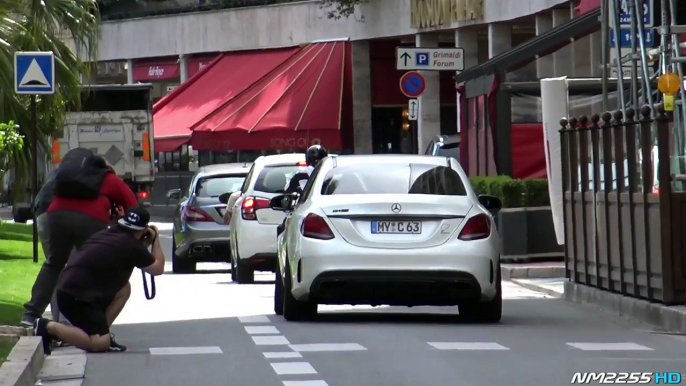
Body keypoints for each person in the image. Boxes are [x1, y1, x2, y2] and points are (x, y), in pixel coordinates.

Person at [21, 149, 139, 327]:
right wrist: (125, 224)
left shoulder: (69, 177)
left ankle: (30, 315)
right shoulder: (108, 178)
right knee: (95, 269)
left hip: (56, 216)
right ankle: (91, 320)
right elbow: (134, 207)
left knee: (54, 264)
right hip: (90, 221)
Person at [33, 207, 165, 355]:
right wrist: (156, 239)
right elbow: (157, 268)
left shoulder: (107, 234)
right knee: (99, 344)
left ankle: (103, 332)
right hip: (78, 299)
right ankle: (48, 326)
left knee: (124, 288)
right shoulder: (132, 245)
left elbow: (130, 256)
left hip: (69, 290)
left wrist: (144, 243)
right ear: (144, 229)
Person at [276, 145, 328, 236]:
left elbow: (287, 194)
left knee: (283, 230)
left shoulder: (300, 175)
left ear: (307, 159)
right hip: (328, 213)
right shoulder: (331, 174)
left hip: (302, 213)